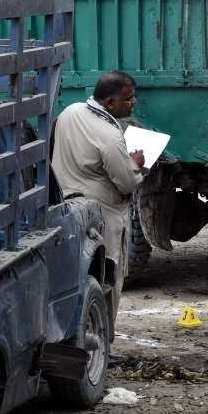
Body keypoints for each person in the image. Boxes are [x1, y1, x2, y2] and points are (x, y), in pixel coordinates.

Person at [52, 71, 145, 344]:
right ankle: (103, 343)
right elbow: (127, 183)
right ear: (110, 103)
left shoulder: (71, 112)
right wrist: (136, 163)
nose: (134, 103)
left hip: (66, 207)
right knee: (108, 281)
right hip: (103, 215)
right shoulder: (110, 137)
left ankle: (75, 336)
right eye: (129, 98)